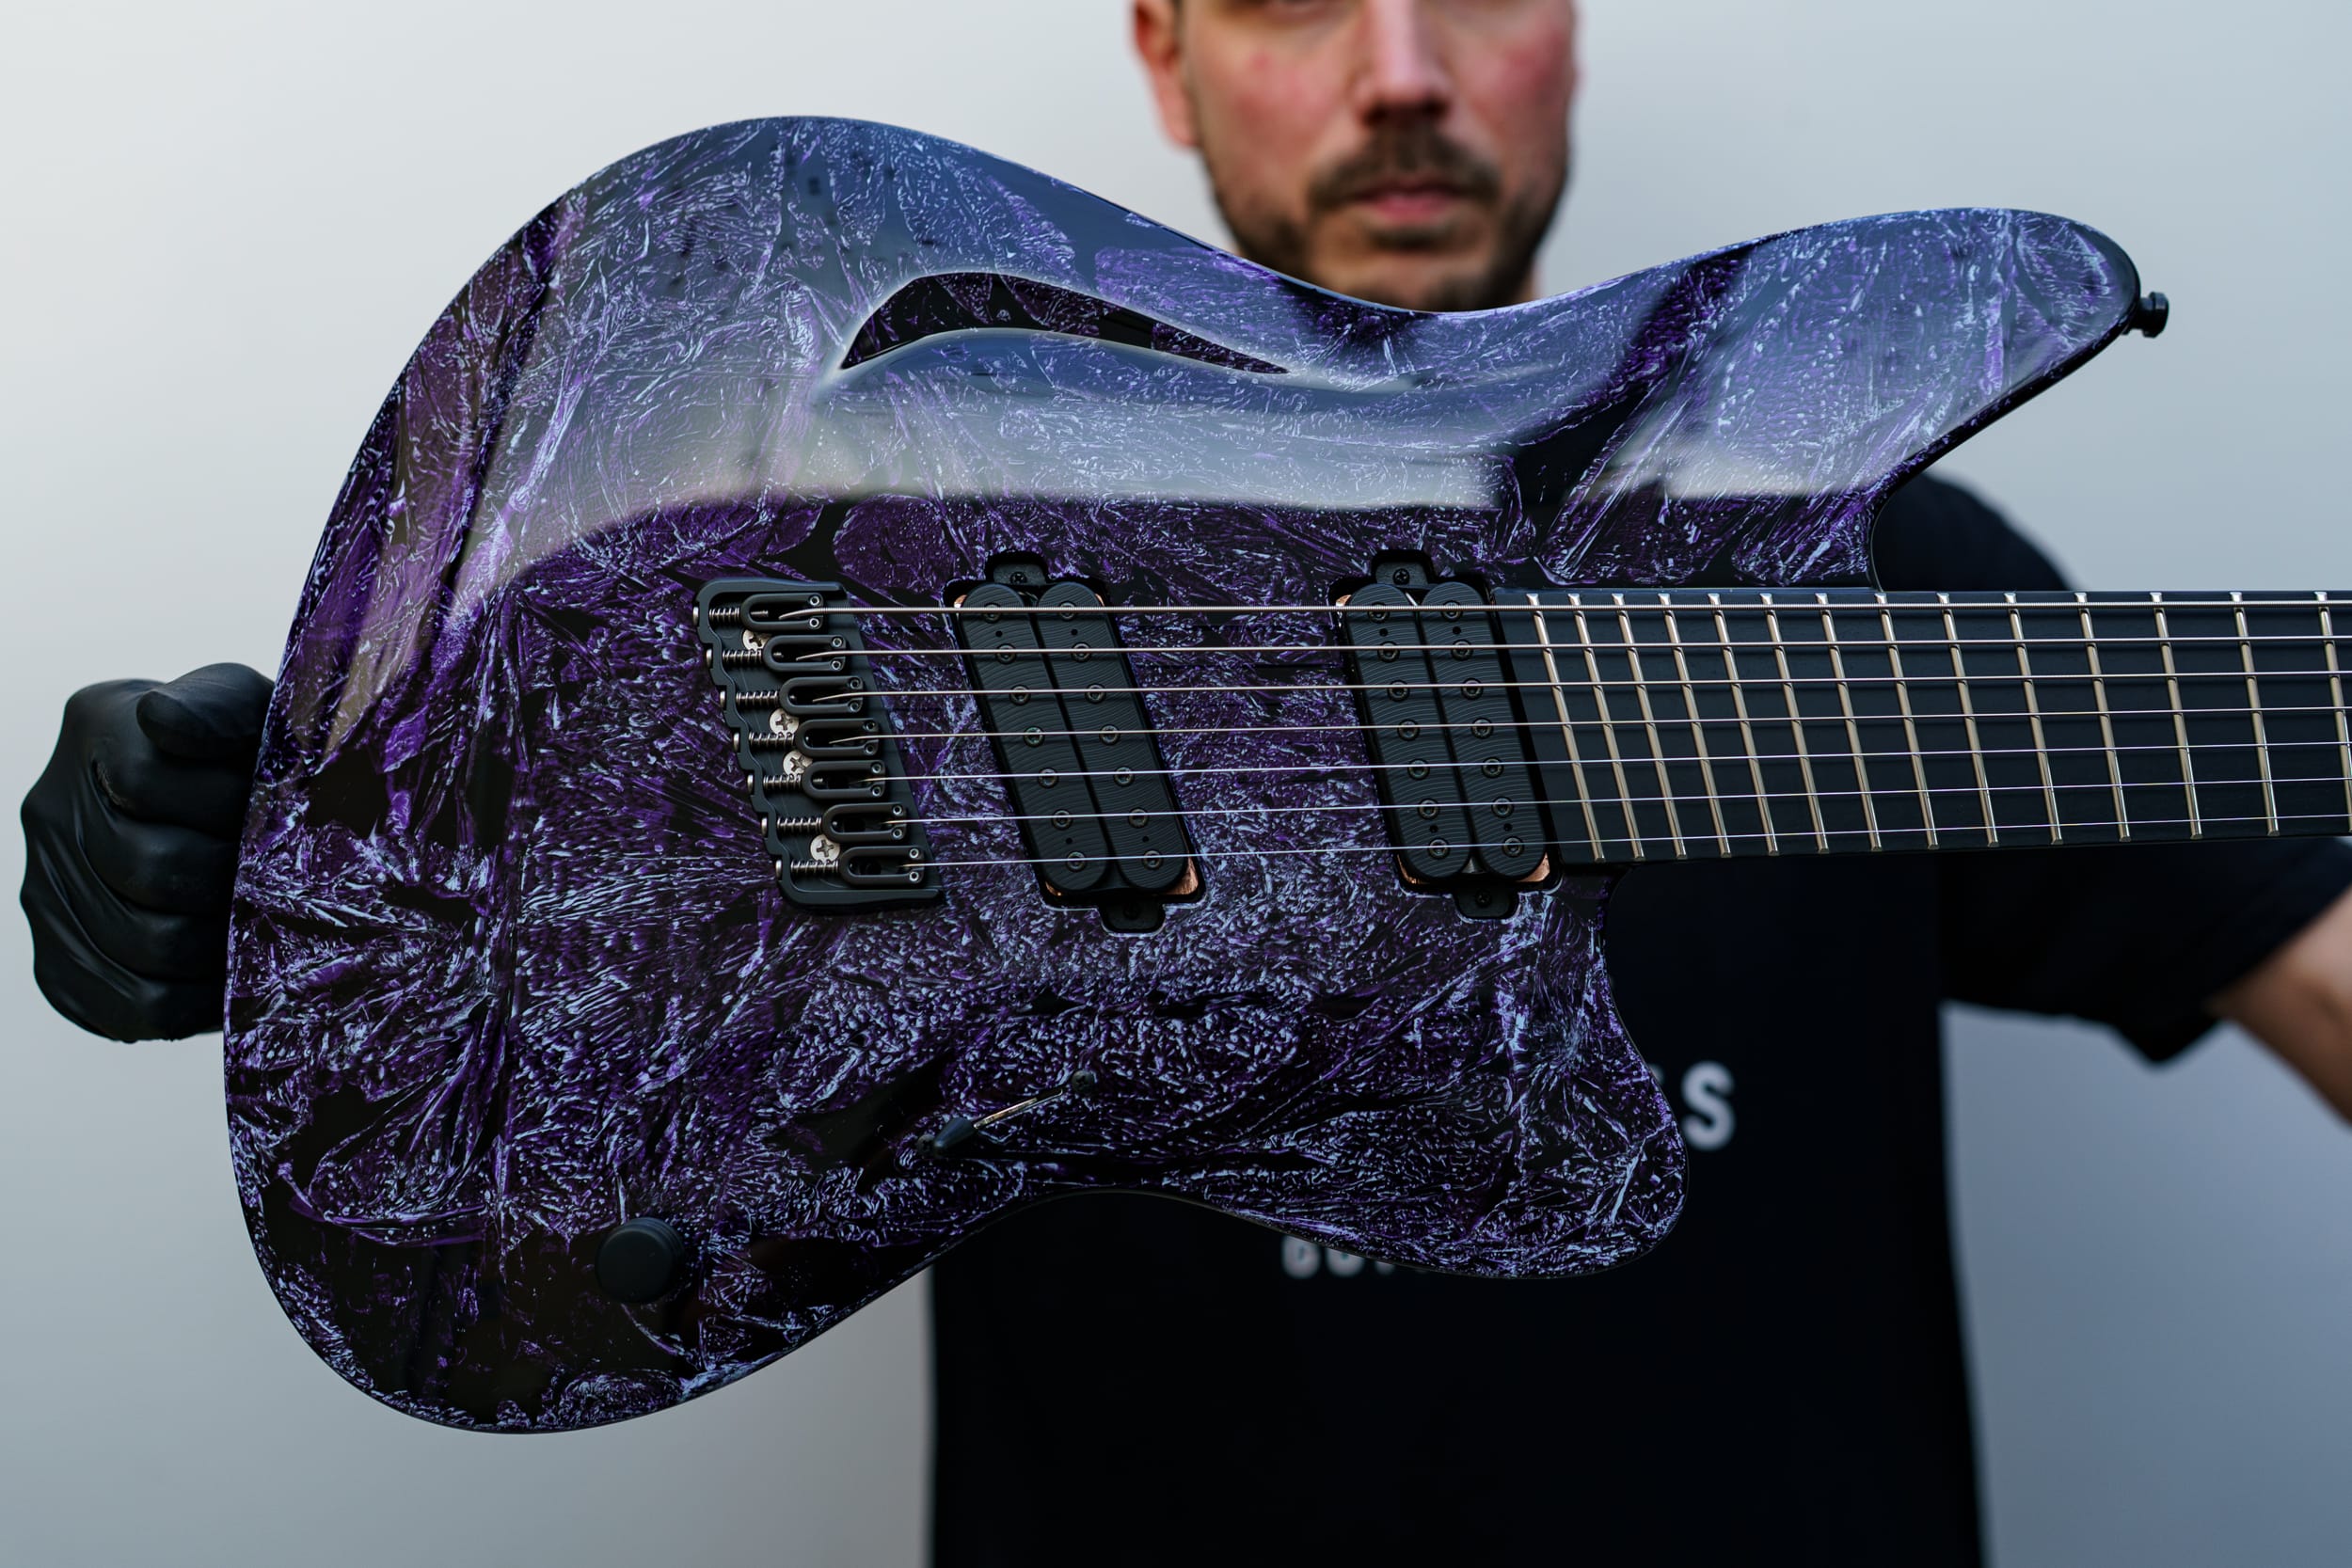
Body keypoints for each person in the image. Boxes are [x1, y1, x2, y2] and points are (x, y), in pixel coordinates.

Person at [19, 1, 2352, 1561]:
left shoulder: (1879, 559)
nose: (1399, 73)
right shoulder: (873, 539)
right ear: (1163, 52)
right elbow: (559, 938)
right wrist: (299, 874)